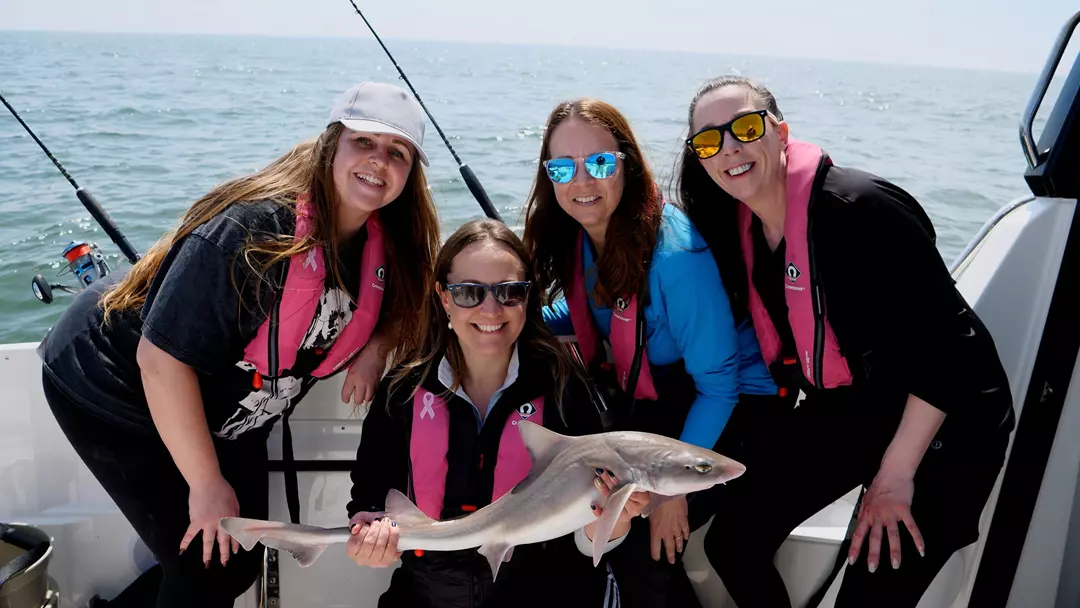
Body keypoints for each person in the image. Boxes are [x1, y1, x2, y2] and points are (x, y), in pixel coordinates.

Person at [36, 81, 441, 607]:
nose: (378, 162)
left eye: (397, 153)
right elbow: (160, 361)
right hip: (113, 382)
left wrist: (377, 345)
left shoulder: (389, 242)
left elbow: (416, 299)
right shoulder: (254, 229)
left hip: (230, 409)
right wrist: (204, 484)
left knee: (237, 560)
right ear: (330, 145)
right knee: (209, 568)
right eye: (362, 142)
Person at [676, 75, 1016, 607]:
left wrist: (894, 476)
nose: (731, 148)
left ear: (781, 132)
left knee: (870, 587)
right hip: (862, 404)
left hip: (950, 420)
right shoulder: (744, 229)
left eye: (745, 126)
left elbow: (951, 349)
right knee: (734, 541)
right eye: (709, 140)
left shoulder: (860, 209)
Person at [522, 98, 782, 608]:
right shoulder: (582, 237)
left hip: (732, 407)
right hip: (656, 397)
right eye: (562, 167)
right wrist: (503, 317)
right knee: (595, 510)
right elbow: (588, 317)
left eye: (599, 163)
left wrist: (670, 495)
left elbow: (719, 386)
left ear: (627, 164)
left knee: (643, 540)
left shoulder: (676, 257)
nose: (582, 182)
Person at [345, 218, 645, 608]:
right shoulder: (401, 394)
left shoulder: (564, 389)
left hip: (549, 592)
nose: (491, 309)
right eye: (469, 292)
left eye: (509, 292)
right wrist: (369, 542)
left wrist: (615, 520)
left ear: (528, 298)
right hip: (427, 594)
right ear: (444, 297)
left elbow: (587, 542)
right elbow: (368, 499)